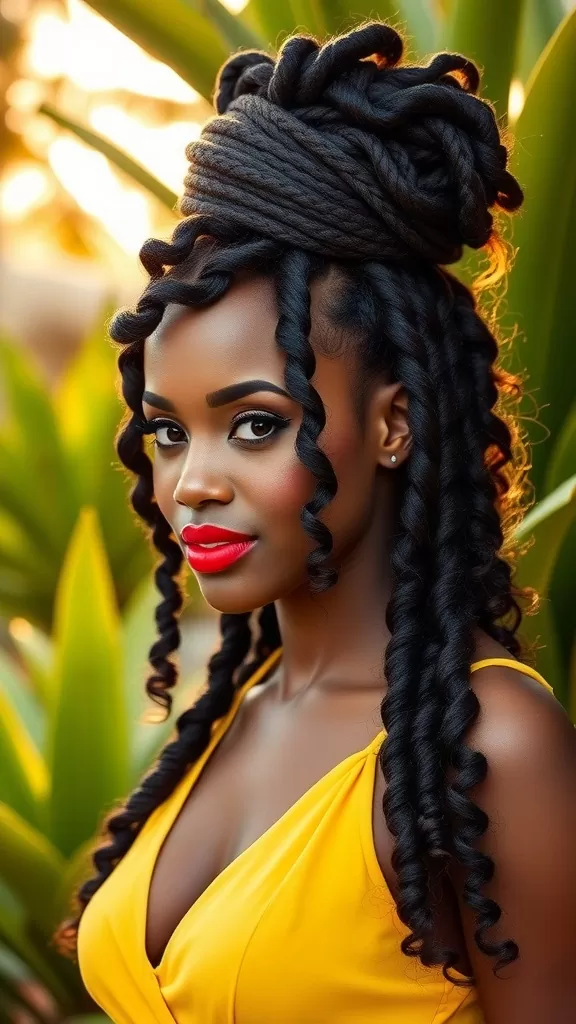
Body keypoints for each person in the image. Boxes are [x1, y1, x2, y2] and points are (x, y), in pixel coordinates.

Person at [53, 19, 576, 1023]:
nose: (192, 484)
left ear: (393, 425)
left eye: (256, 424)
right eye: (169, 434)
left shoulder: (493, 749)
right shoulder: (240, 711)